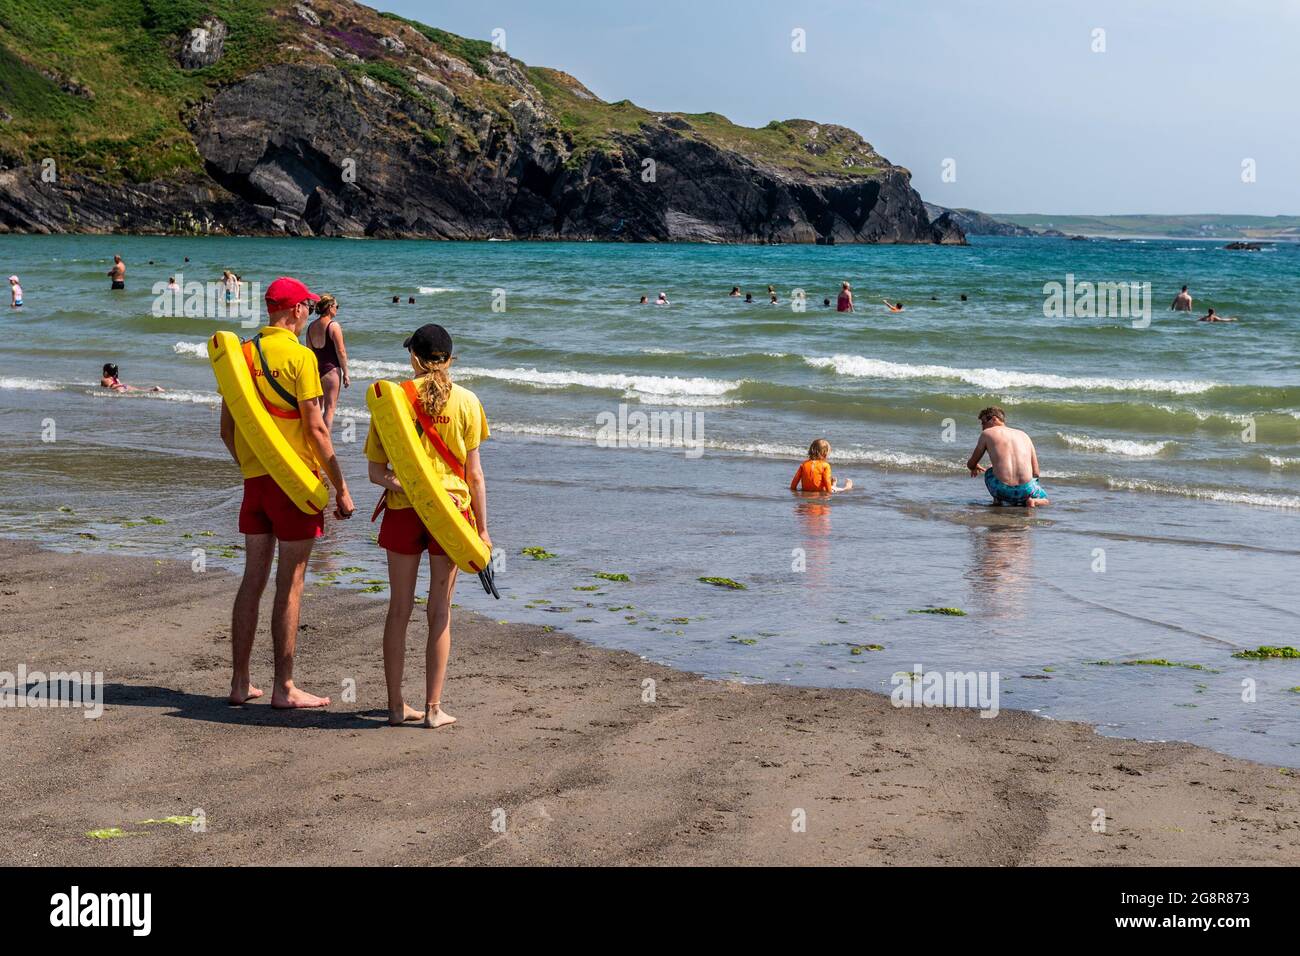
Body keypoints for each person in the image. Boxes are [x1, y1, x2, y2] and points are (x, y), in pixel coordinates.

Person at [218, 276, 355, 709]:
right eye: (306, 306)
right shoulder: (301, 358)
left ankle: (240, 683)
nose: (308, 311)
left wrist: (254, 467)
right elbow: (315, 429)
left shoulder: (240, 354)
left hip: (255, 484)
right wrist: (342, 488)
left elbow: (227, 427)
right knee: (290, 584)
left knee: (251, 581)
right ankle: (284, 687)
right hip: (296, 487)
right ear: (296, 310)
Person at [365, 324, 491, 729]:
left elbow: (375, 472)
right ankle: (434, 709)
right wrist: (483, 531)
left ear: (414, 359)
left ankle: (395, 707)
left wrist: (406, 485)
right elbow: (474, 476)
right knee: (440, 612)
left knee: (399, 609)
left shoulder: (393, 401)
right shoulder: (469, 402)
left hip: (404, 509)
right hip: (450, 514)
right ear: (450, 360)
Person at [966, 406, 1048, 507]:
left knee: (989, 472)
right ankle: (1033, 501)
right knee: (1045, 499)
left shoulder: (987, 433)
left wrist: (973, 467)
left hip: (1001, 489)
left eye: (983, 423)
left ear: (994, 419)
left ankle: (998, 500)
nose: (982, 427)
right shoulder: (1024, 435)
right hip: (1026, 490)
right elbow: (1036, 472)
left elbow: (971, 463)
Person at [306, 294, 350, 430]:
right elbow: (341, 351)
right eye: (336, 306)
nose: (337, 309)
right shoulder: (333, 326)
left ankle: (316, 439)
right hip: (331, 370)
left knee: (317, 409)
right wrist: (346, 373)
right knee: (330, 409)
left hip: (316, 371)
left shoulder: (310, 327)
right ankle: (326, 441)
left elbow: (309, 352)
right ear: (330, 307)